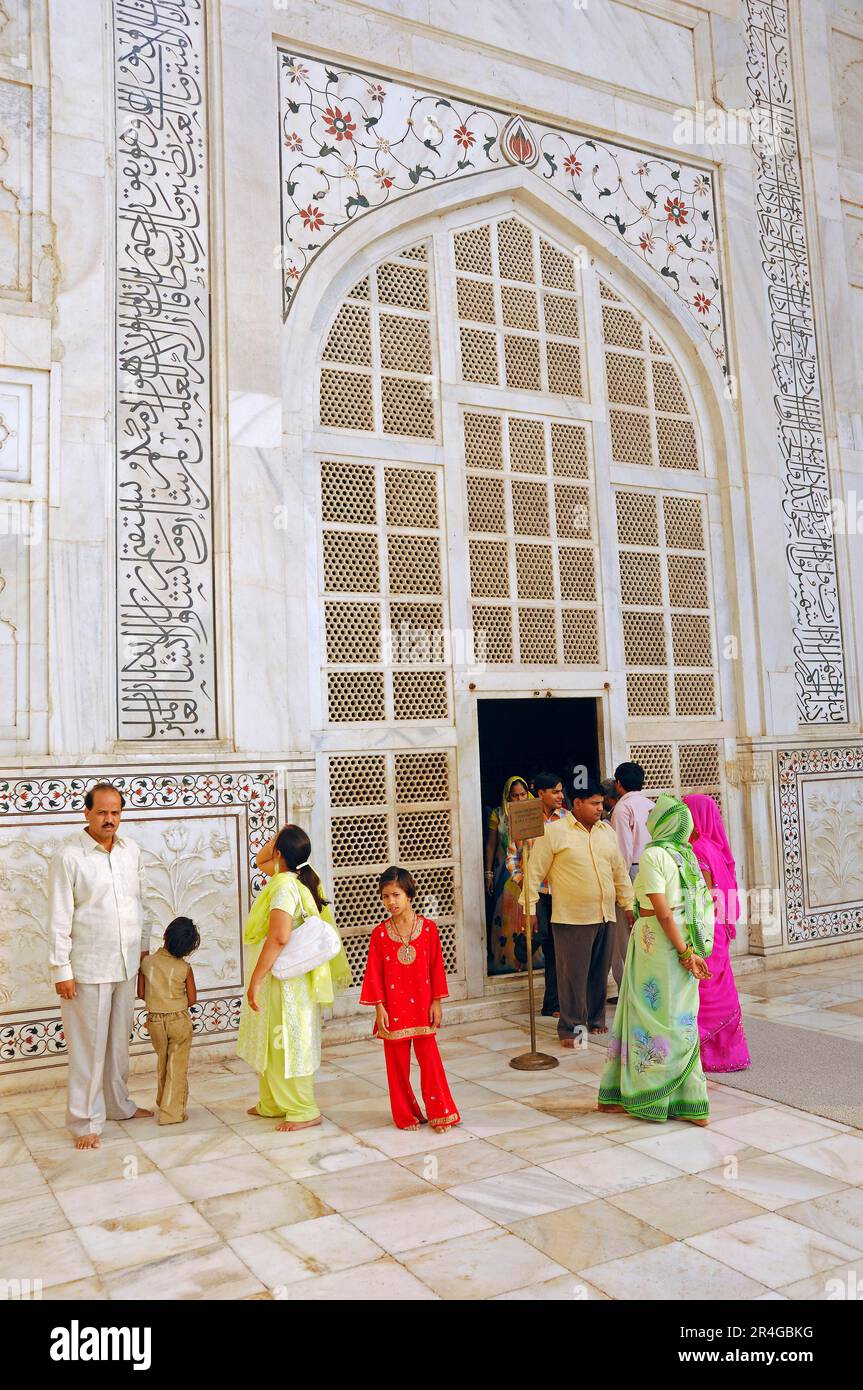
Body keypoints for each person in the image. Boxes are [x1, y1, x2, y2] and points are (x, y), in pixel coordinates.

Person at [48, 782, 154, 1149]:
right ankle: (83, 1121)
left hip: (125, 964)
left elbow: (142, 906)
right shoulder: (70, 857)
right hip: (88, 967)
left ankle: (118, 1105)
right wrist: (62, 969)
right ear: (87, 813)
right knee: (88, 1049)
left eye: (116, 812)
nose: (110, 819)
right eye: (102, 812)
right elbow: (60, 917)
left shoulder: (131, 851)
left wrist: (143, 956)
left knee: (117, 1045)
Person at [598, 794, 714, 1124]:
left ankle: (650, 1099)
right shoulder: (687, 856)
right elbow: (699, 904)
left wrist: (683, 952)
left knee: (648, 1018)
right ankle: (691, 1102)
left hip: (658, 945)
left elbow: (662, 913)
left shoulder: (654, 857)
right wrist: (692, 950)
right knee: (681, 1019)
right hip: (683, 941)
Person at [237, 824, 351, 1131]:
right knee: (274, 1042)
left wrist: (256, 980)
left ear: (279, 853)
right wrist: (284, 837)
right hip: (287, 980)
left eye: (275, 846)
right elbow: (262, 860)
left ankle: (303, 1109)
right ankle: (273, 1103)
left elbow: (279, 937)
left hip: (284, 983)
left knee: (286, 1042)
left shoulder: (285, 887)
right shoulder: (296, 877)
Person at [526, 781, 634, 1047]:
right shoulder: (554, 832)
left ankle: (596, 1020)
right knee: (572, 975)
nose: (600, 808)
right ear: (577, 804)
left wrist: (629, 905)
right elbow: (534, 871)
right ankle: (571, 1029)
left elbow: (619, 871)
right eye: (594, 804)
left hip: (605, 914)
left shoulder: (606, 831)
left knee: (599, 972)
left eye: (601, 803)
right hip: (571, 918)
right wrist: (528, 907)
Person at [360, 866, 460, 1132]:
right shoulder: (380, 934)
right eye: (385, 897)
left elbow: (436, 968)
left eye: (396, 895)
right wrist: (379, 1008)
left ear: (409, 894)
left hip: (421, 1005)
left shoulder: (428, 929)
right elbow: (374, 974)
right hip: (392, 1007)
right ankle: (405, 1116)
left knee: (430, 1062)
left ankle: (441, 1113)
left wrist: (436, 1002)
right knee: (396, 1067)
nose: (390, 902)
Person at [683, 794, 751, 1073]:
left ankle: (709, 1053)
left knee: (706, 986)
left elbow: (704, 894)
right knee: (720, 985)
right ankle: (728, 1053)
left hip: (705, 926)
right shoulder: (715, 847)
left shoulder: (697, 849)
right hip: (718, 926)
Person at [508, 771, 569, 1016]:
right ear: (540, 793)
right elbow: (513, 856)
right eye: (554, 791)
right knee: (546, 940)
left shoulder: (566, 818)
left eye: (561, 790)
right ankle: (551, 1004)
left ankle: (556, 1003)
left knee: (560, 947)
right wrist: (523, 881)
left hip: (563, 892)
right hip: (538, 893)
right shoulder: (526, 816)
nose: (560, 796)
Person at [138, 917, 199, 1125]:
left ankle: (163, 1101)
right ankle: (172, 1114)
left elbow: (141, 993)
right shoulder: (185, 968)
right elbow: (192, 999)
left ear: (165, 936)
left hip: (154, 1021)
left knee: (163, 1062)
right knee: (177, 1066)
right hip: (178, 1021)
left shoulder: (147, 963)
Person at [485, 775, 543, 974]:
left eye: (522, 795)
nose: (519, 800)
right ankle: (510, 960)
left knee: (531, 915)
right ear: (507, 797)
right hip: (507, 872)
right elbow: (491, 845)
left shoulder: (536, 814)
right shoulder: (498, 814)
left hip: (532, 871)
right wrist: (489, 873)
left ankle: (530, 959)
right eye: (514, 796)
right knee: (508, 916)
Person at [609, 762, 654, 997]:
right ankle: (649, 985)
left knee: (625, 934)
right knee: (649, 930)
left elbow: (622, 852)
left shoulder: (622, 809)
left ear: (618, 783)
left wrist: (620, 886)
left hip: (633, 874)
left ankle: (629, 991)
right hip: (655, 872)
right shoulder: (652, 806)